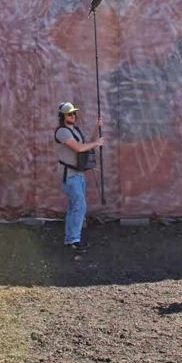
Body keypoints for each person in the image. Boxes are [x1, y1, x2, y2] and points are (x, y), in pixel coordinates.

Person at [54, 102, 104, 252]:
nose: (73, 116)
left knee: (73, 207)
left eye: (74, 113)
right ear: (63, 116)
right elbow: (78, 148)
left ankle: (70, 239)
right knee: (80, 206)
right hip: (70, 175)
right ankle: (74, 240)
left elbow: (85, 144)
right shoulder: (62, 132)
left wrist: (97, 128)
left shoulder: (75, 130)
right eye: (69, 114)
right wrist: (97, 143)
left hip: (79, 174)